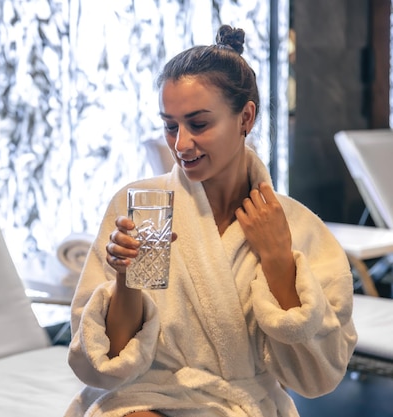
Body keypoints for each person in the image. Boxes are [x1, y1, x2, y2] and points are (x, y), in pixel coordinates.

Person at [64, 25, 357, 417]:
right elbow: (109, 362)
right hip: (142, 400)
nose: (181, 144)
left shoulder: (298, 227)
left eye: (198, 124)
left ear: (245, 117)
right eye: (170, 126)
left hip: (239, 405)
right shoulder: (137, 206)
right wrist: (125, 278)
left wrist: (278, 260)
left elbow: (317, 375)